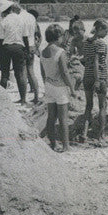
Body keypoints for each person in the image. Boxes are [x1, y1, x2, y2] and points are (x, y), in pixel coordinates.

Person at [40, 23, 76, 152]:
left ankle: (53, 144)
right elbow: (65, 73)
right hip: (60, 86)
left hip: (48, 85)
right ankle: (66, 146)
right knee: (63, 118)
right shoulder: (60, 52)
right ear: (58, 37)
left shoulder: (43, 52)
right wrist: (72, 89)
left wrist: (46, 82)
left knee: (51, 117)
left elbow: (42, 72)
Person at [0, 0, 30, 103]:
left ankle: (2, 101)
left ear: (3, 11)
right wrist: (27, 51)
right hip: (19, 48)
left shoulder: (3, 22)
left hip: (5, 49)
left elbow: (0, 40)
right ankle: (23, 100)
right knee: (20, 74)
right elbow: (25, 37)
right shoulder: (21, 19)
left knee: (5, 74)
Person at [78, 19, 108, 142]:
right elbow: (97, 62)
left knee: (88, 106)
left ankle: (84, 133)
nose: (107, 34)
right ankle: (101, 135)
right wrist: (98, 80)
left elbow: (85, 60)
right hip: (99, 77)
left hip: (87, 76)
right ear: (100, 29)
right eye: (106, 31)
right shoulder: (100, 44)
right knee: (102, 106)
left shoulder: (87, 42)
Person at [21, 8, 42, 105]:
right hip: (32, 47)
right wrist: (36, 47)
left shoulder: (27, 22)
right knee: (31, 72)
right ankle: (36, 96)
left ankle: (24, 98)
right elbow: (39, 37)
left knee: (25, 73)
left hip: (26, 47)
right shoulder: (34, 23)